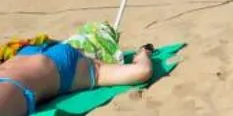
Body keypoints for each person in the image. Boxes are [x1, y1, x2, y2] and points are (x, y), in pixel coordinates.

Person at [0, 41, 156, 114]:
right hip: (26, 59)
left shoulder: (89, 70)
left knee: (142, 73)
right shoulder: (90, 68)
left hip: (31, 64)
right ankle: (144, 52)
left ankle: (144, 52)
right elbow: (143, 70)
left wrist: (144, 53)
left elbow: (143, 71)